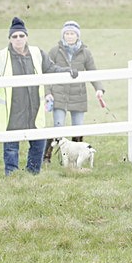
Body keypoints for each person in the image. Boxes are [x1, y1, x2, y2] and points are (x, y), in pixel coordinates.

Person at [0, 17, 77, 176]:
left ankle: (32, 175)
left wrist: (67, 70)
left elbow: (51, 68)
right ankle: (12, 176)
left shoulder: (37, 53)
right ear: (10, 39)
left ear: (26, 37)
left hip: (34, 109)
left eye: (21, 36)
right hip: (12, 111)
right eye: (14, 36)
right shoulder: (1, 56)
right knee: (11, 148)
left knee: (38, 144)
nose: (18, 39)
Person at [43, 21, 105, 163]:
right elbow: (47, 72)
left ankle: (74, 156)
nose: (70, 36)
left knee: (78, 127)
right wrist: (48, 92)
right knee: (58, 126)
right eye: (67, 33)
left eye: (72, 33)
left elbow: (92, 71)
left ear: (77, 36)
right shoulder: (54, 51)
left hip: (78, 96)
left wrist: (99, 89)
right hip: (59, 94)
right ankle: (46, 156)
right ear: (63, 35)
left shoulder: (85, 53)